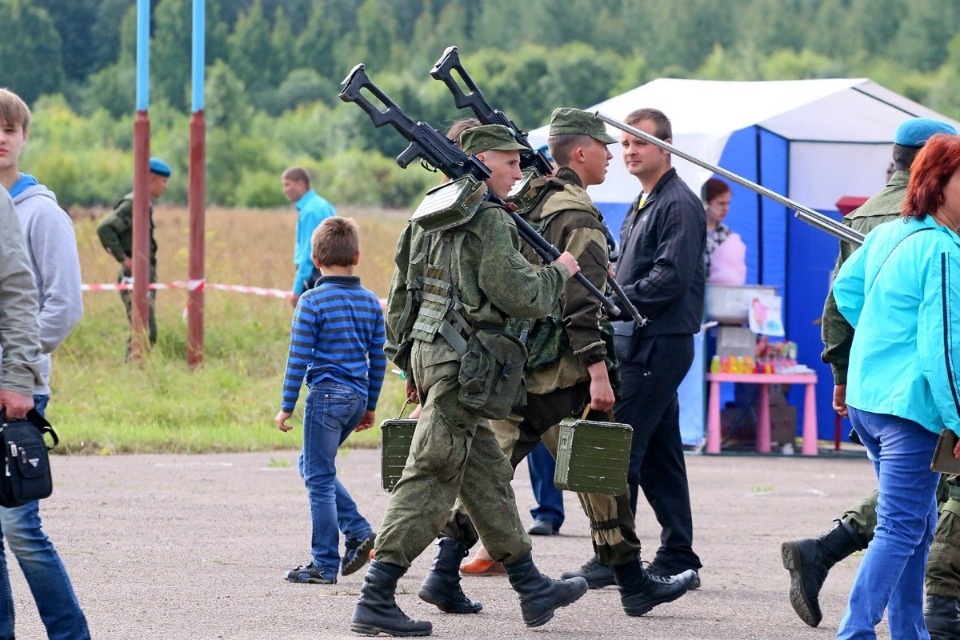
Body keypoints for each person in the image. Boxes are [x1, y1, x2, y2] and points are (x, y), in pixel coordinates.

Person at [420, 109, 697, 620]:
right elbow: (580, 300)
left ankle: (443, 571)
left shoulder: (525, 198)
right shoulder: (577, 213)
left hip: (513, 366)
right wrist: (596, 370)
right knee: (600, 471)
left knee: (489, 474)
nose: (614, 155)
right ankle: (634, 583)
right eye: (605, 147)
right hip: (563, 370)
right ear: (580, 152)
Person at [351, 124, 585, 637]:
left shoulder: (428, 212)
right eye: (510, 163)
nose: (518, 172)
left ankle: (530, 586)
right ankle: (377, 595)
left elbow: (402, 293)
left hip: (436, 359)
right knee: (432, 474)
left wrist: (408, 362)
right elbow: (518, 294)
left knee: (486, 477)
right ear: (481, 161)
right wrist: (560, 272)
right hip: (465, 368)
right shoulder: (488, 220)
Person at [781, 116, 960, 636]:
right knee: (902, 528)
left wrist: (884, 337)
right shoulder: (944, 251)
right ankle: (855, 631)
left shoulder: (887, 233)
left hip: (870, 400)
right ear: (936, 181)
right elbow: (945, 352)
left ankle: (911, 631)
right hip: (910, 408)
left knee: (916, 525)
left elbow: (845, 294)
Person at [564, 107, 705, 591]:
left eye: (639, 143)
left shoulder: (679, 204)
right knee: (661, 455)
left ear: (665, 147)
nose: (628, 151)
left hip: (658, 341)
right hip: (638, 340)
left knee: (616, 448)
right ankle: (679, 552)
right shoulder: (643, 202)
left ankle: (612, 557)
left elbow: (671, 277)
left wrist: (612, 304)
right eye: (623, 144)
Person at [0, 89, 90, 640]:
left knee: (21, 528)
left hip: (19, 390)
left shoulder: (41, 213)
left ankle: (69, 634)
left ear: (24, 137)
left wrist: (20, 367)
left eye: (9, 129)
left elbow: (64, 304)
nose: (0, 138)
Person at [275, 216, 384, 585]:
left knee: (318, 477)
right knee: (311, 465)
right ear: (357, 255)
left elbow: (298, 357)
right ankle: (356, 530)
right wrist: (370, 404)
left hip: (325, 398)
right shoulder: (371, 302)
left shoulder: (311, 300)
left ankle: (325, 562)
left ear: (316, 260)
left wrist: (287, 405)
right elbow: (378, 357)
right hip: (354, 399)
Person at [96, 156, 172, 357]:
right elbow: (105, 228)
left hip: (144, 275)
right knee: (143, 330)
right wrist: (124, 258)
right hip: (133, 276)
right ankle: (133, 372)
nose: (166, 187)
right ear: (150, 178)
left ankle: (137, 372)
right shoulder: (134, 203)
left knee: (145, 330)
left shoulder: (143, 204)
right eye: (163, 181)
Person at [281, 166, 336, 307]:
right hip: (332, 276)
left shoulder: (310, 211)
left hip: (315, 278)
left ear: (300, 184)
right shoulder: (324, 204)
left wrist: (297, 290)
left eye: (287, 184)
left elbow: (308, 254)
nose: (285, 190)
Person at [702, 177, 746, 285]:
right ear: (705, 203)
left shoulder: (728, 235)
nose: (726, 209)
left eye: (728, 203)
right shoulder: (690, 231)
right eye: (721, 204)